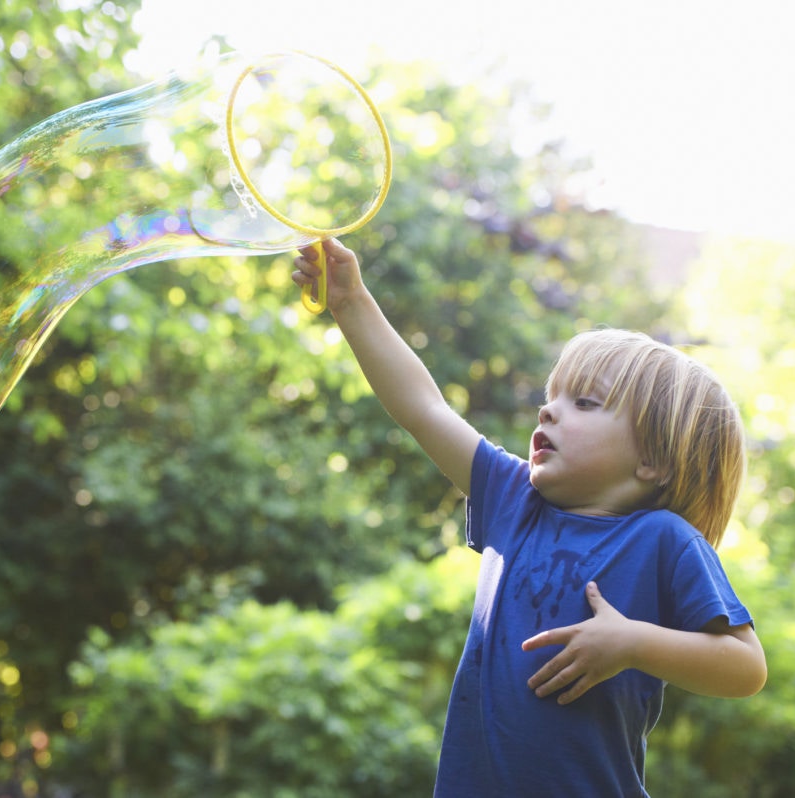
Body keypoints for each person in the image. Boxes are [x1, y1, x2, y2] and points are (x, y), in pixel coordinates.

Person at [292, 239, 767, 797]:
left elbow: (745, 666)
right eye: (552, 397)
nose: (548, 410)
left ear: (652, 460)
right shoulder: (516, 499)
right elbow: (424, 409)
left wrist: (633, 643)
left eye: (584, 403)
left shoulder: (663, 540)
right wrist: (350, 302)